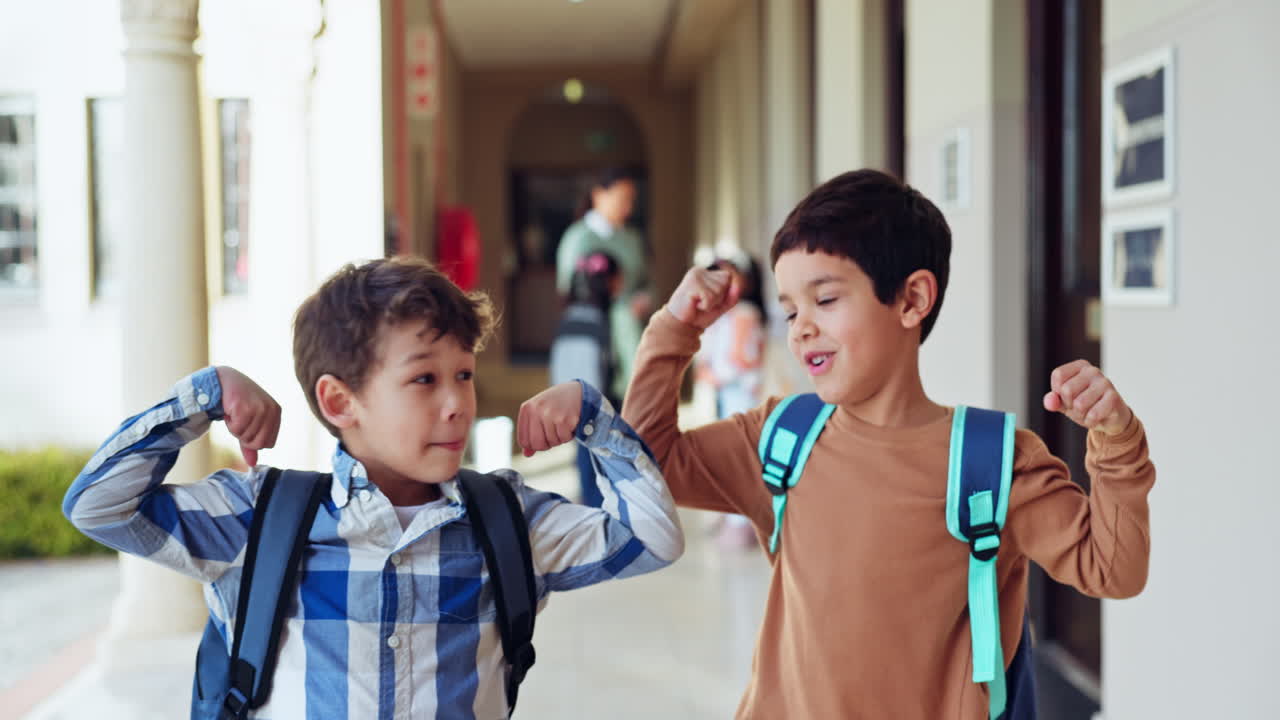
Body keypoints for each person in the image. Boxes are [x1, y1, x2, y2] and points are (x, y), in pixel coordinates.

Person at [622, 169, 1156, 718]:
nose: (801, 327)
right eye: (790, 310)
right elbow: (645, 463)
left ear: (912, 299)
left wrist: (1115, 439)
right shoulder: (783, 436)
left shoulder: (991, 463)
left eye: (825, 299)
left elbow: (1113, 568)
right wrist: (673, 330)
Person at [63, 256, 684, 718]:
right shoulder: (261, 519)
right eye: (423, 380)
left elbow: (652, 539)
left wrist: (595, 421)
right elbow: (98, 505)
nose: (456, 405)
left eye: (463, 374)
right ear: (340, 399)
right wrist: (203, 396)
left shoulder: (505, 521)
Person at [555, 167, 651, 403]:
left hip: (628, 334)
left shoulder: (631, 239)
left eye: (631, 201)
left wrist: (643, 299)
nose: (627, 207)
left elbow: (645, 281)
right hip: (592, 332)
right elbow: (567, 287)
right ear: (599, 195)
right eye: (622, 199)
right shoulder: (578, 238)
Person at [694, 251, 766, 549]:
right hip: (726, 394)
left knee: (740, 457)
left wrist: (713, 373)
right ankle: (731, 516)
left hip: (741, 394)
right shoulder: (723, 318)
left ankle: (742, 524)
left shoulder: (745, 314)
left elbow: (741, 360)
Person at [550, 250, 623, 507]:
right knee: (599, 463)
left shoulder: (570, 317)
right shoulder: (606, 320)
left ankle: (592, 506)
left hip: (576, 402)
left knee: (585, 458)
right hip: (599, 404)